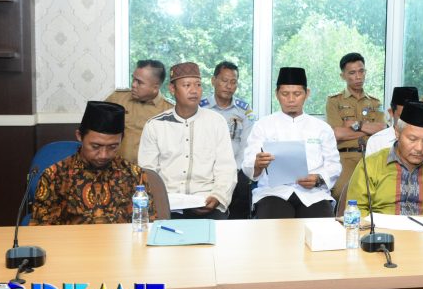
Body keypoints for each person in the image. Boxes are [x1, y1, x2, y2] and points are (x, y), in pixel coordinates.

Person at [31, 101, 155, 225]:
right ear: (79, 136)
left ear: (121, 139)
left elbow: (148, 224)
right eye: (95, 146)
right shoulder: (55, 176)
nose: (103, 155)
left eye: (112, 147)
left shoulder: (134, 175)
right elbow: (42, 229)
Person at [138, 62, 236, 220]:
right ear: (172, 89)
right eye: (187, 85)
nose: (194, 90)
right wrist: (160, 201)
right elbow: (148, 172)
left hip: (207, 200)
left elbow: (226, 168)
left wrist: (218, 197)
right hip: (167, 203)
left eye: (198, 85)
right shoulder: (155, 125)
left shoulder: (216, 122)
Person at [244, 67, 341, 219]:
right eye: (285, 94)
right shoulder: (263, 125)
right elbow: (248, 164)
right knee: (275, 222)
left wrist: (318, 179)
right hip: (273, 192)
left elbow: (334, 165)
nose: (291, 99)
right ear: (277, 94)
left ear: (307, 94)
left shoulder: (322, 128)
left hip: (313, 194)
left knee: (320, 225)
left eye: (297, 94)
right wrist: (257, 164)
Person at [349, 101, 423, 216]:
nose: (419, 148)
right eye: (412, 139)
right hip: (382, 227)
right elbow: (356, 212)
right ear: (397, 133)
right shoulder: (371, 166)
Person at [200, 61, 255, 219]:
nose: (229, 86)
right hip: (207, 168)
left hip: (236, 167)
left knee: (243, 183)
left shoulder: (244, 110)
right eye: (224, 81)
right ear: (213, 80)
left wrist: (234, 169)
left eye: (233, 82)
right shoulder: (200, 108)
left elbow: (247, 144)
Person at [326, 53, 385, 200]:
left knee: (380, 193)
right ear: (343, 76)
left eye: (361, 71)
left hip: (372, 155)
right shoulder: (334, 101)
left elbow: (382, 129)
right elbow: (337, 133)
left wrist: (357, 125)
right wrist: (368, 129)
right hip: (346, 157)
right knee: (340, 192)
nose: (358, 77)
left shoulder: (375, 102)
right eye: (352, 73)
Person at [105, 59, 173, 164]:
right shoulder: (117, 99)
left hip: (149, 170)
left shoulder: (169, 111)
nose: (133, 85)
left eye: (139, 82)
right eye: (133, 79)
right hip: (113, 167)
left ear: (155, 88)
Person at [365, 86, 423, 159]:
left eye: (411, 116)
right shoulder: (376, 141)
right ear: (391, 112)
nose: (407, 121)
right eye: (402, 117)